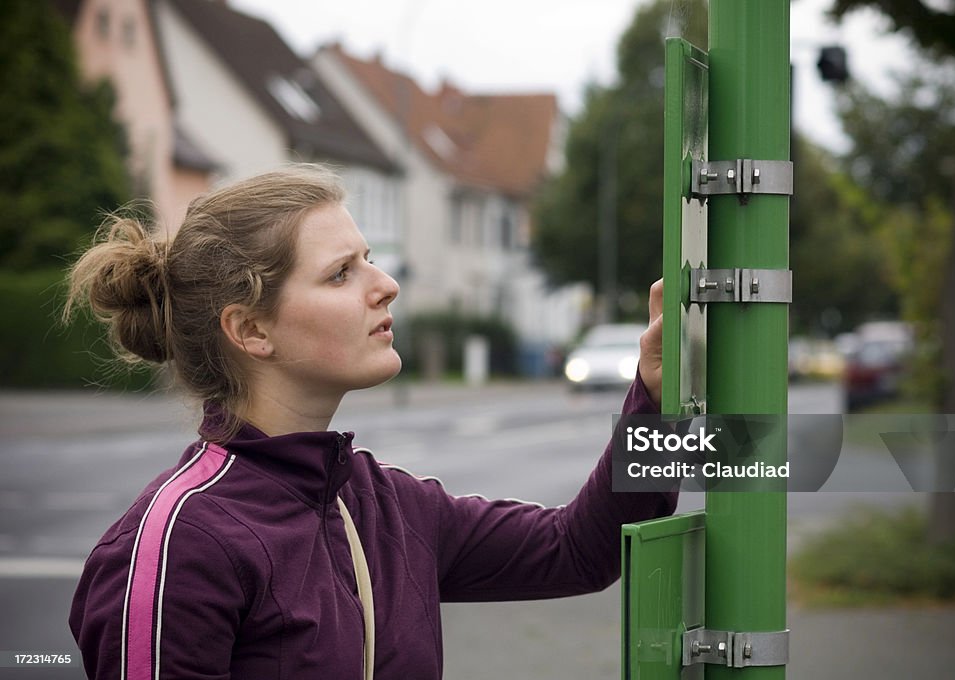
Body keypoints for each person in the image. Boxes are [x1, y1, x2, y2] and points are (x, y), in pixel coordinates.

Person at [65, 165, 676, 680]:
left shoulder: (385, 505)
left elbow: (578, 551)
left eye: (370, 261)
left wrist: (655, 395)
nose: (385, 286)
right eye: (340, 273)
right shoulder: (178, 547)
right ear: (250, 330)